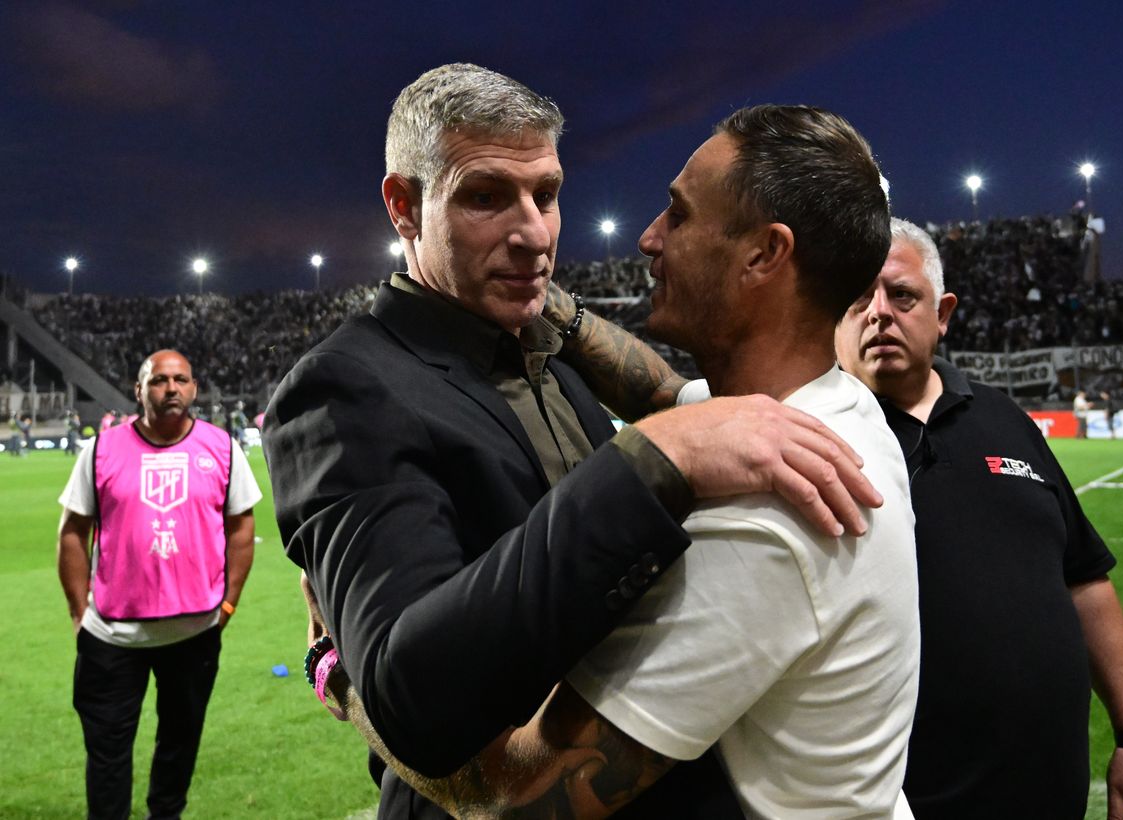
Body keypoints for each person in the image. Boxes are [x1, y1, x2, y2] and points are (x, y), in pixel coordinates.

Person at [264, 63, 883, 818]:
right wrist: (657, 456)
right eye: (487, 196)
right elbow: (410, 697)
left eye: (547, 195)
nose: (533, 232)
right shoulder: (345, 386)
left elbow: (650, 393)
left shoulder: (544, 348)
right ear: (404, 205)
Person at [834, 219, 1123, 819]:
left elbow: (1085, 578)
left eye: (901, 295)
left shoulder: (1003, 417)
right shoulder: (809, 437)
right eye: (858, 299)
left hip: (1049, 796)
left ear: (942, 313)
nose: (879, 313)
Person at [57, 349, 260, 820]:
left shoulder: (223, 447)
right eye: (159, 380)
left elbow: (242, 529)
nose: (171, 388)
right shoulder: (101, 449)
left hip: (194, 633)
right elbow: (73, 531)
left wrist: (227, 605)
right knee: (107, 751)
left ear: (193, 388)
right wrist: (77, 612)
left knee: (179, 744)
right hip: (112, 637)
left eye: (181, 379)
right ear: (139, 390)